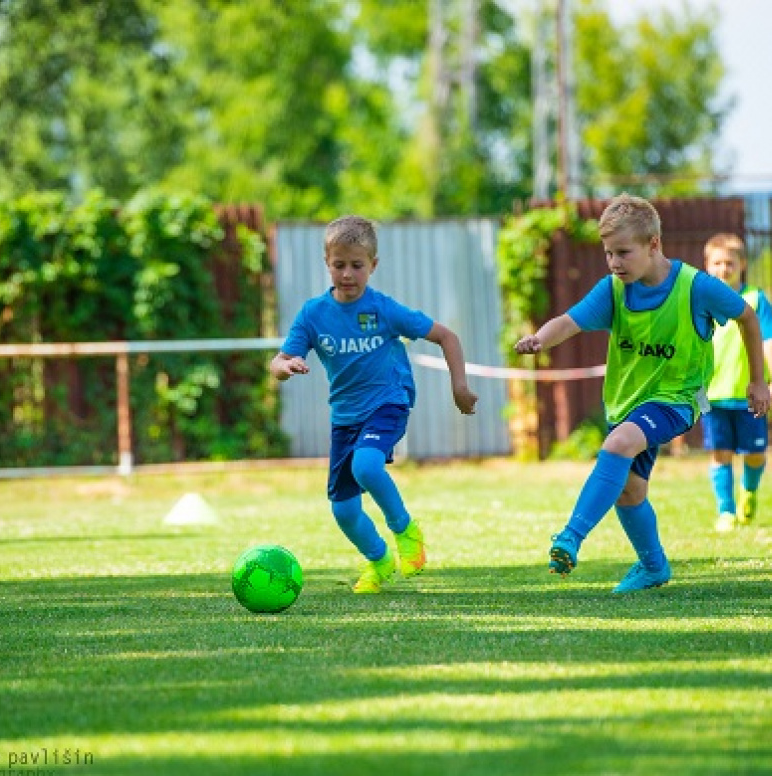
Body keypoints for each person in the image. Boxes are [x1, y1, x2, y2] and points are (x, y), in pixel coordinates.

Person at [514, 194, 771, 594]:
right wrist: (539, 339)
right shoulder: (615, 289)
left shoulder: (696, 287)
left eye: (622, 253)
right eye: (608, 254)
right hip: (629, 401)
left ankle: (570, 536)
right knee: (629, 491)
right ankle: (653, 566)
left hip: (678, 399)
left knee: (619, 443)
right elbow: (570, 321)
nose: (614, 263)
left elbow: (747, 317)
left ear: (654, 244)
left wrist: (758, 381)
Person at [270, 215, 478, 594]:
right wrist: (286, 366)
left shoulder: (384, 310)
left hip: (389, 401)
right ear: (327, 263)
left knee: (366, 465)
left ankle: (406, 531)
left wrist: (459, 388)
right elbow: (278, 362)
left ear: (373, 266)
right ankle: (379, 561)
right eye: (339, 265)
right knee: (344, 511)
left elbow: (446, 337)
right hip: (345, 417)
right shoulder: (313, 314)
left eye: (356, 265)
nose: (347, 274)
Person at [701, 233, 772, 532]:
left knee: (755, 453)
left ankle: (749, 492)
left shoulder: (755, 299)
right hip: (711, 394)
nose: (723, 269)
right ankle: (726, 511)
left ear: (742, 264)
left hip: (749, 395)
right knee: (720, 453)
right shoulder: (700, 301)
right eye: (716, 263)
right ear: (707, 265)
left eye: (729, 262)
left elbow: (768, 341)